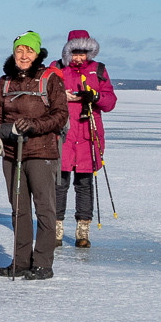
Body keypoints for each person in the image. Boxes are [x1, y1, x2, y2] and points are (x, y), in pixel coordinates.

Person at [0, 32, 69, 280]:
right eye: (19, 51)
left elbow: (60, 115)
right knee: (19, 210)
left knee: (45, 209)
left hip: (41, 151)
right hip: (12, 152)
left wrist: (34, 125)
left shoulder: (50, 79)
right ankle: (21, 261)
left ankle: (43, 263)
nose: (23, 56)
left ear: (37, 54)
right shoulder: (5, 82)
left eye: (29, 51)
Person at [54, 28, 116, 247]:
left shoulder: (98, 70)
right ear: (67, 52)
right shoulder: (57, 68)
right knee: (59, 184)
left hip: (89, 135)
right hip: (64, 133)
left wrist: (95, 96)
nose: (79, 57)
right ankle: (56, 229)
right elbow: (44, 94)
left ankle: (83, 232)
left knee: (85, 184)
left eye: (83, 53)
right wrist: (63, 96)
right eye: (75, 53)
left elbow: (110, 102)